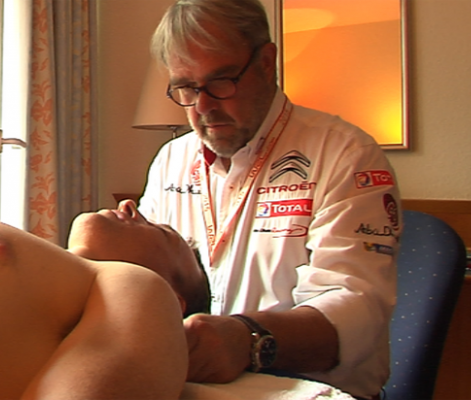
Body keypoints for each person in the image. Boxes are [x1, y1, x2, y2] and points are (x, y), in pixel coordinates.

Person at [137, 1, 401, 399]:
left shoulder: (345, 154)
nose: (204, 106)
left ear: (266, 63)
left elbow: (356, 310)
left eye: (221, 80)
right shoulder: (171, 161)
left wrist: (246, 339)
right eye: (187, 88)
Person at [0, 200, 209, 400]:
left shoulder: (137, 287)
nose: (128, 205)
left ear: (176, 300)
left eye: (163, 233)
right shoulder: (43, 266)